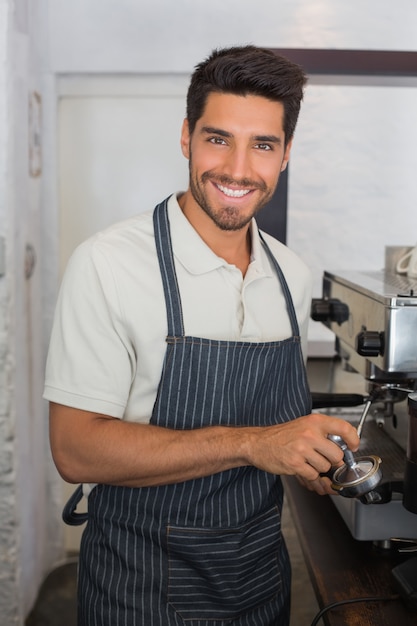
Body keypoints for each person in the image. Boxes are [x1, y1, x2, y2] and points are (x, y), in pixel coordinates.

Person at [44, 45, 359, 626]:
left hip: (260, 578)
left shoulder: (289, 272)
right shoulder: (109, 264)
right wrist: (253, 444)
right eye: (219, 139)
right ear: (187, 136)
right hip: (139, 586)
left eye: (262, 145)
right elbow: (74, 448)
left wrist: (307, 457)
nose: (239, 170)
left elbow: (275, 429)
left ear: (285, 154)